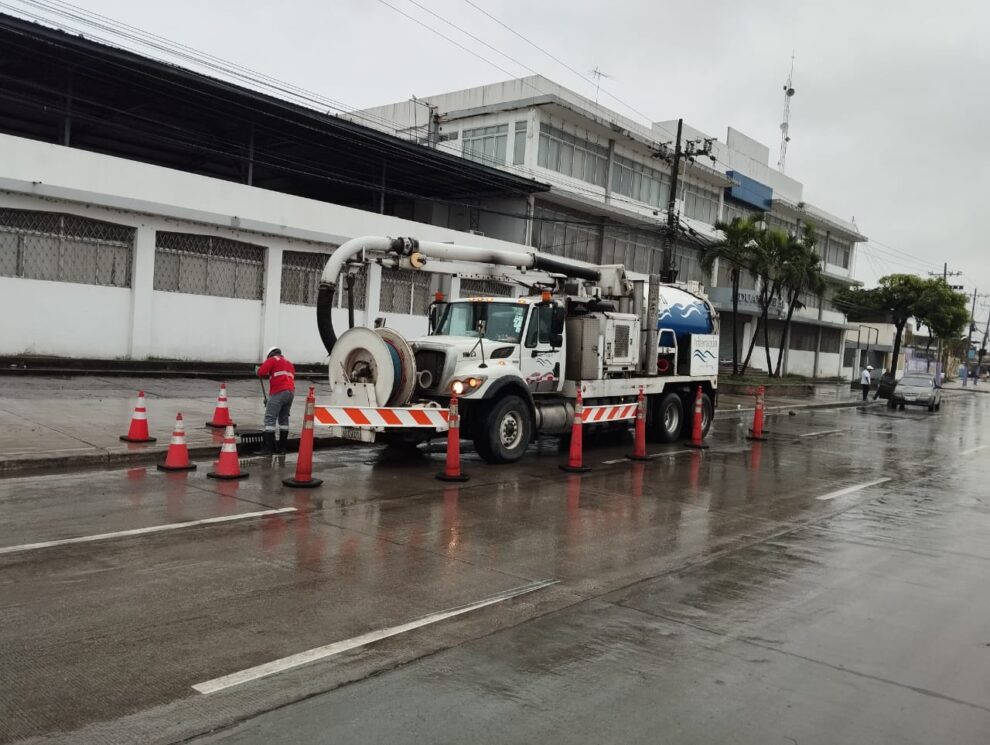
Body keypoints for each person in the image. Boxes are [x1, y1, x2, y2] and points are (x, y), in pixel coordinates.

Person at [256, 346, 295, 455]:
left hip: (278, 392)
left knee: (270, 419)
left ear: (270, 355)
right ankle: (282, 448)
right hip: (290, 393)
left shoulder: (272, 360)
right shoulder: (289, 363)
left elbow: (261, 372)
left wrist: (257, 370)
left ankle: (268, 449)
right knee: (284, 420)